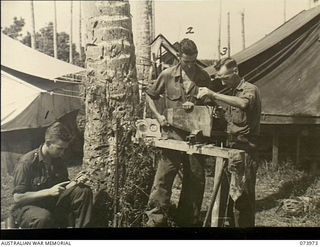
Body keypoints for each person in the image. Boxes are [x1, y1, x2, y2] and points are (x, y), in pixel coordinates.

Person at [145, 38, 212, 227]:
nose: (190, 65)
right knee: (164, 178)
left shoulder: (204, 77)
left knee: (195, 180)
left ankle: (187, 221)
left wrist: (200, 104)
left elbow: (210, 104)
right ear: (179, 57)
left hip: (197, 137)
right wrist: (158, 116)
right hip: (172, 135)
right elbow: (150, 96)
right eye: (186, 61)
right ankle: (155, 220)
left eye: (193, 61)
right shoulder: (167, 75)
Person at [197, 57, 261, 227]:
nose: (223, 81)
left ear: (236, 72)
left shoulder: (250, 89)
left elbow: (243, 104)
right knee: (227, 197)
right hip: (230, 148)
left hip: (245, 150)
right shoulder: (230, 91)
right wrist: (220, 115)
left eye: (225, 77)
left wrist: (214, 94)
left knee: (243, 198)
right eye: (220, 78)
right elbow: (232, 119)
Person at [11, 122, 93, 228]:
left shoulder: (58, 160)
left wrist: (74, 182)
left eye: (65, 149)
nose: (63, 152)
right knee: (44, 217)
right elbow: (18, 197)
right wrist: (49, 192)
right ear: (48, 143)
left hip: (50, 203)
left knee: (82, 191)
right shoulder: (26, 162)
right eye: (60, 148)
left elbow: (60, 189)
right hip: (28, 207)